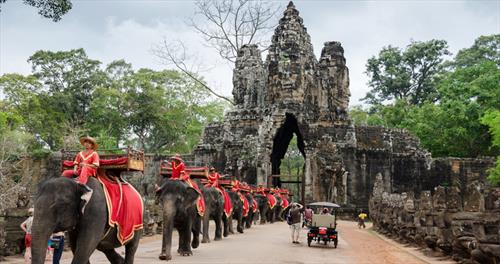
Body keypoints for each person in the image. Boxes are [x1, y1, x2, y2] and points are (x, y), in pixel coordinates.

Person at [62, 136, 100, 203]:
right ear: (84, 144)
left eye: (89, 143)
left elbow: (96, 166)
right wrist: (75, 169)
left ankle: (81, 187)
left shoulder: (94, 153)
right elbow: (76, 163)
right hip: (80, 170)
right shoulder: (80, 153)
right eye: (86, 142)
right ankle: (62, 186)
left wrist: (86, 165)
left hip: (90, 170)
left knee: (85, 168)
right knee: (66, 172)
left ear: (92, 145)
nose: (87, 144)